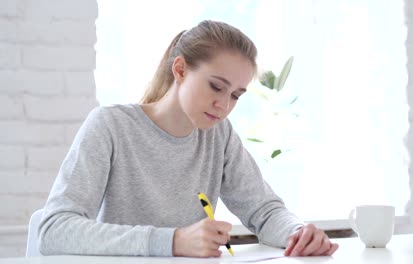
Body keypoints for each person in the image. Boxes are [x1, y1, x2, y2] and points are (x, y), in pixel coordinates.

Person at [38, 20, 339, 258]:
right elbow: (54, 229)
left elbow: (264, 211)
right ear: (180, 69)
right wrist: (173, 241)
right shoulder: (111, 125)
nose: (224, 105)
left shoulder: (218, 135)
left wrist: (297, 233)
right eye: (216, 86)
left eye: (235, 95)